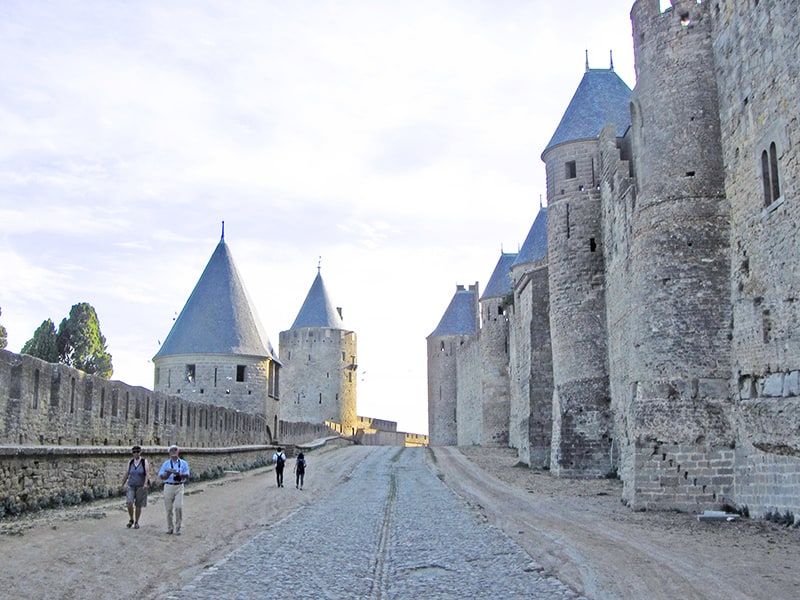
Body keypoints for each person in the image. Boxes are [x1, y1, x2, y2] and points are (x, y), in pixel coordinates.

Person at [158, 444, 190, 535]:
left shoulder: (183, 463)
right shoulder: (166, 464)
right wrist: (168, 473)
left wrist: (179, 474)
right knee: (168, 509)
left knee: (178, 507)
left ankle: (178, 528)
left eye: (175, 450)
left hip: (179, 486)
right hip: (168, 486)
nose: (173, 452)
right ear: (169, 453)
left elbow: (187, 475)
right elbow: (161, 476)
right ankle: (170, 528)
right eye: (171, 450)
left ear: (178, 451)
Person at [122, 445, 149, 529]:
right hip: (131, 484)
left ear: (140, 452)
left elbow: (147, 474)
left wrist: (145, 483)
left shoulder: (144, 462)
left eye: (137, 452)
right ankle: (131, 519)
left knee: (138, 504)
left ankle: (137, 521)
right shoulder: (130, 462)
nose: (136, 454)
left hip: (140, 486)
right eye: (134, 452)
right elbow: (127, 473)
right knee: (129, 502)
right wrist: (122, 483)